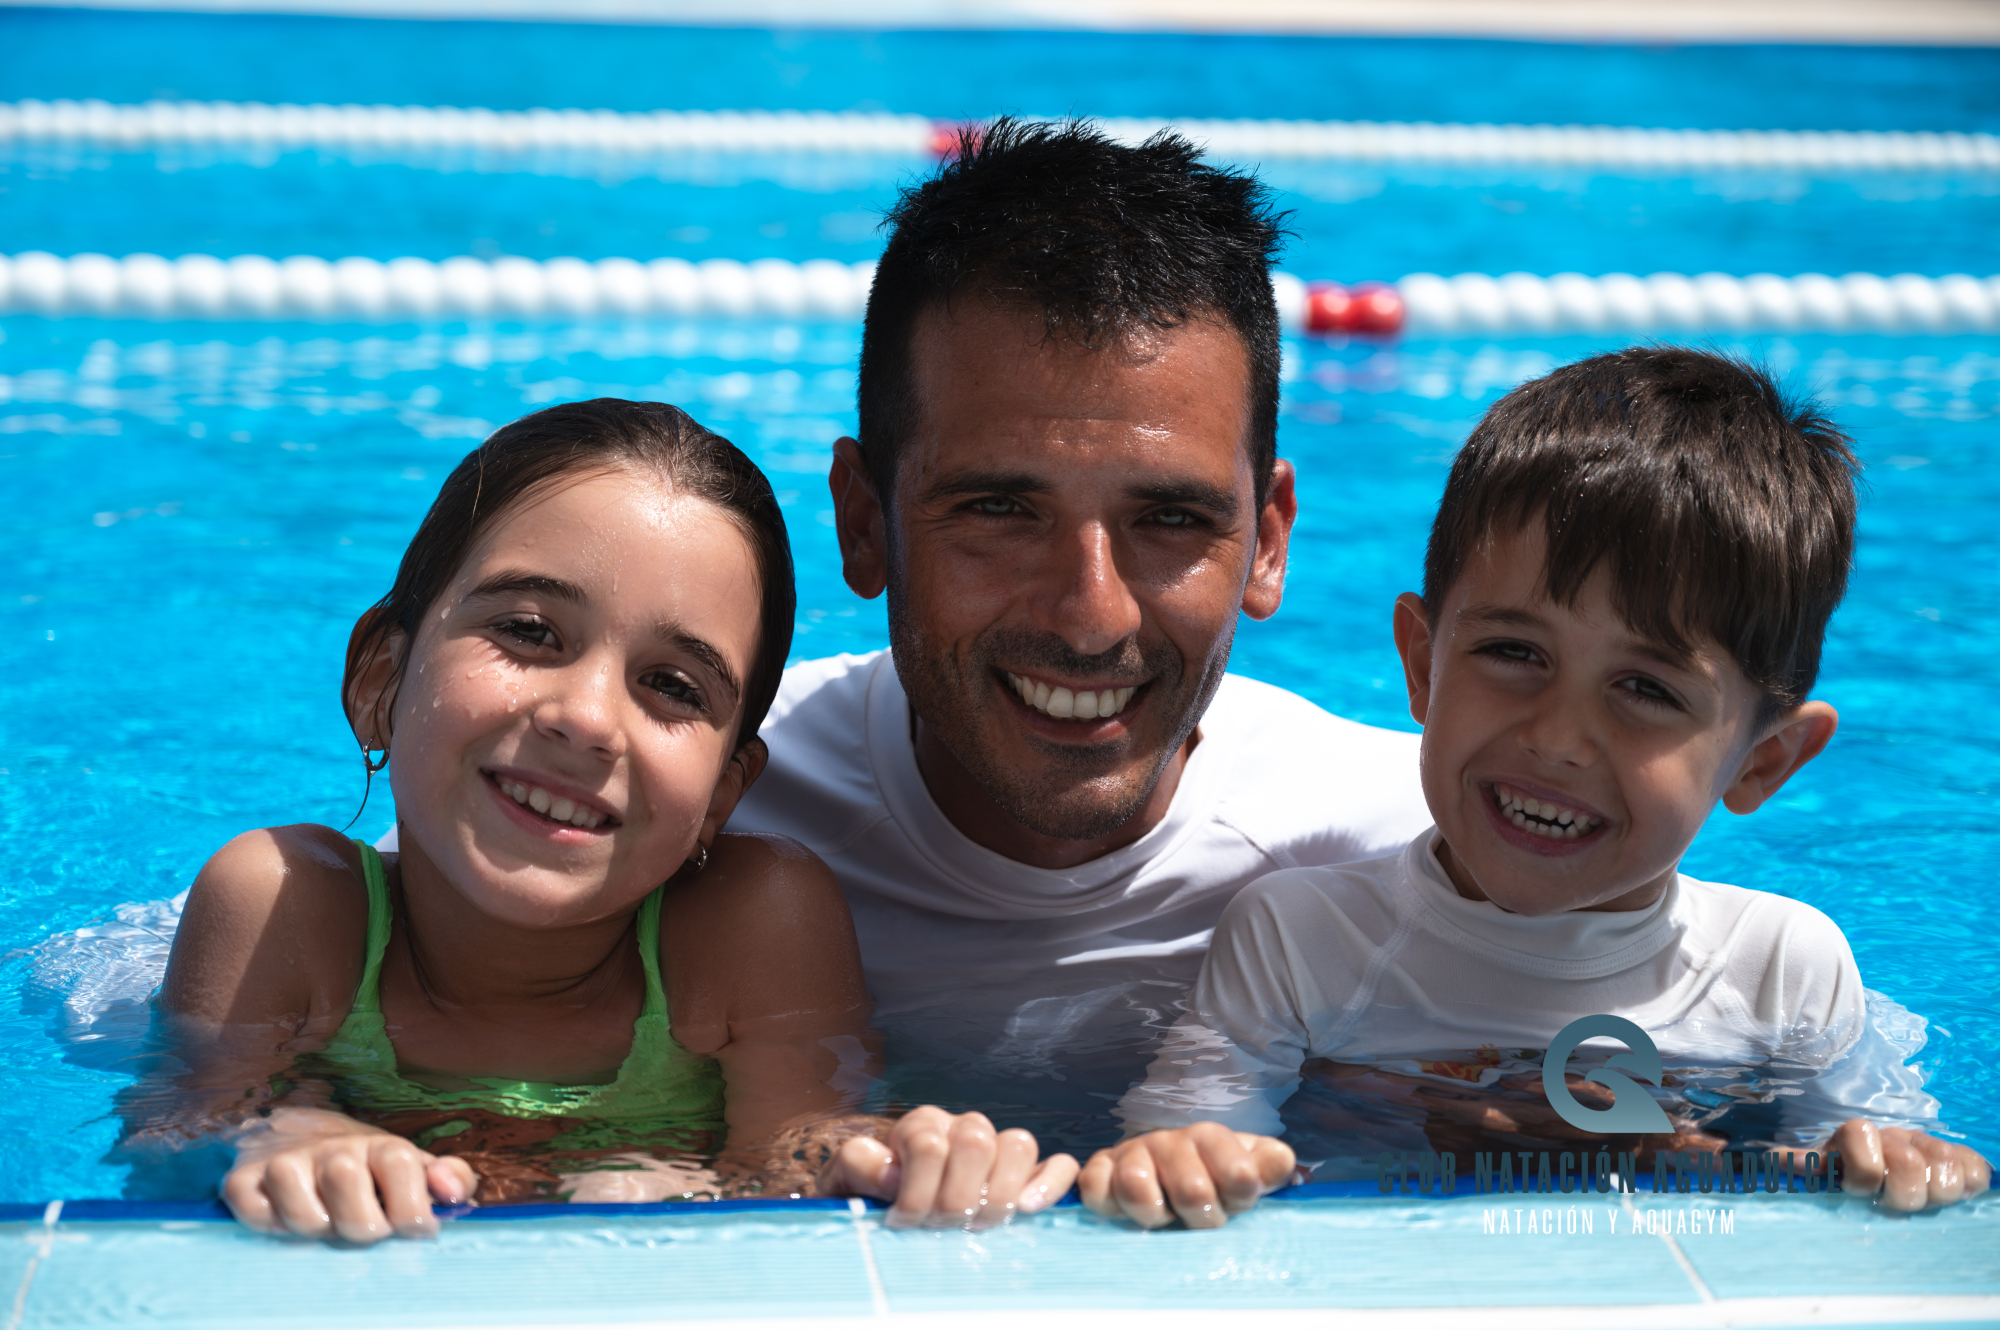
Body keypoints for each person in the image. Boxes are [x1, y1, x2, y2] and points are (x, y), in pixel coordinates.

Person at [1085, 348, 1993, 1227]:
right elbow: (1187, 1146)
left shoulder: (1781, 972)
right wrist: (1183, 1157)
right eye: (1514, 653)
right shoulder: (1303, 941)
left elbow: (1876, 1173)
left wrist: (1906, 1163)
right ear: (1423, 666)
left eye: (1647, 690)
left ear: (1764, 761)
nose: (1556, 739)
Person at [150, 399, 1078, 1244]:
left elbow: (797, 1148)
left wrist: (891, 1157)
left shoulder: (748, 927)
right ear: (380, 680)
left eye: (672, 685)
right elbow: (175, 1136)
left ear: (723, 794)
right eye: (528, 631)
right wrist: (286, 1137)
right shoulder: (289, 909)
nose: (587, 720)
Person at [726, 117, 1430, 1161]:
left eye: (1171, 521)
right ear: (863, 524)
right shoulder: (705, 805)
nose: (1089, 614)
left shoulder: (1403, 854)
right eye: (1001, 511)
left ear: (1267, 543)